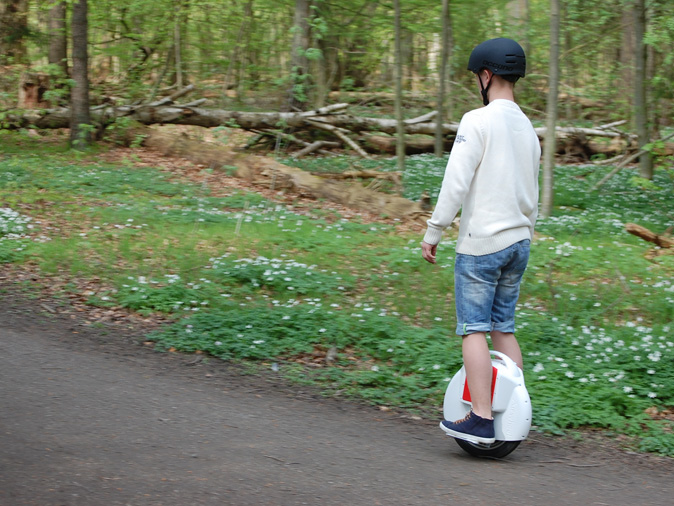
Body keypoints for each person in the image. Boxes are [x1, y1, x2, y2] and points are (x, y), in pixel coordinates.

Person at [421, 38, 540, 445]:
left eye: (478, 76)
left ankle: (482, 415)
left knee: (473, 328)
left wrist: (435, 229)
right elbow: (533, 192)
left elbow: (456, 182)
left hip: (482, 244)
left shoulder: (477, 120)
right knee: (503, 327)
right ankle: (514, 408)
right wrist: (528, 232)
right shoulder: (528, 128)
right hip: (519, 241)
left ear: (486, 76)